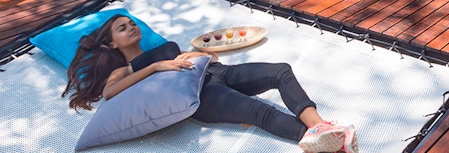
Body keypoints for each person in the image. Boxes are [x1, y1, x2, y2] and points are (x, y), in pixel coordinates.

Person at [63, 15, 358, 153]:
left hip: (219, 73)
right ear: (112, 42)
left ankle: (320, 127)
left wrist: (201, 54)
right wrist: (156, 66)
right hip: (204, 96)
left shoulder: (163, 45)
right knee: (260, 113)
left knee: (280, 71)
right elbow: (109, 92)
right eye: (122, 28)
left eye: (132, 23)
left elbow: (211, 58)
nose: (131, 28)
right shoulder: (123, 69)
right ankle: (330, 146)